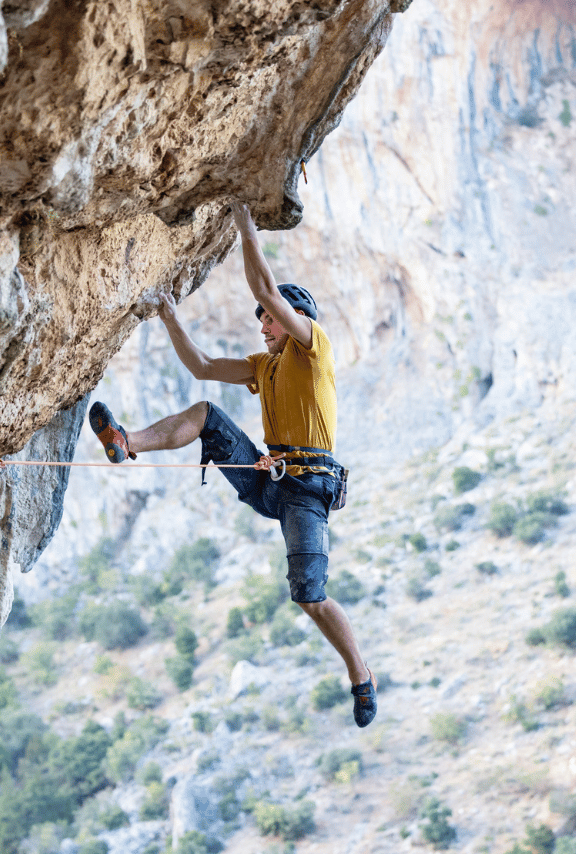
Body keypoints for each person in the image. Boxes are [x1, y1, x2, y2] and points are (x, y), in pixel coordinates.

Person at [89, 202, 377, 727]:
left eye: (269, 320)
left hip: (307, 491)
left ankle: (360, 674)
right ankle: (127, 442)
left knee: (309, 596)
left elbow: (267, 291)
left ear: (295, 319)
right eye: (263, 321)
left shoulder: (313, 349)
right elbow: (200, 365)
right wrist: (169, 315)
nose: (262, 325)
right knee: (206, 415)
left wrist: (245, 222)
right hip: (270, 480)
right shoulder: (261, 366)